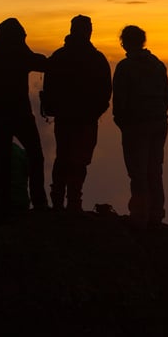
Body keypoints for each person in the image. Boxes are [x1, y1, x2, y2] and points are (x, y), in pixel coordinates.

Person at [0, 17, 48, 219]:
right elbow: (39, 62)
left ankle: (3, 205)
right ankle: (39, 201)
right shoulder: (18, 53)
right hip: (20, 116)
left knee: (3, 161)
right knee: (35, 155)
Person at [43, 14, 112, 213]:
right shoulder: (97, 59)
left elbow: (48, 89)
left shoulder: (59, 56)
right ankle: (74, 201)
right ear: (89, 31)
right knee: (79, 160)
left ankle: (58, 201)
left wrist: (55, 109)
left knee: (63, 157)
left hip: (65, 118)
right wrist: (95, 112)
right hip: (87, 120)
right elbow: (106, 91)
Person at [112, 25, 168, 229]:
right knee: (154, 169)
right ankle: (156, 214)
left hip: (136, 125)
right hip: (158, 122)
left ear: (124, 43)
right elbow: (167, 95)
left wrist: (122, 122)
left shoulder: (125, 67)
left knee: (138, 172)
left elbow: (119, 100)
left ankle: (139, 215)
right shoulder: (157, 64)